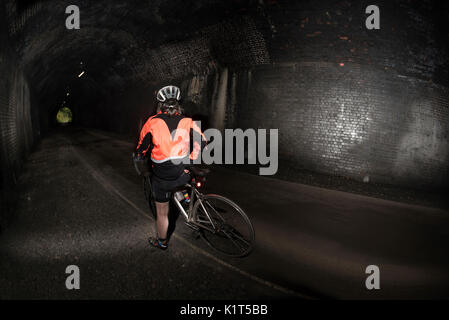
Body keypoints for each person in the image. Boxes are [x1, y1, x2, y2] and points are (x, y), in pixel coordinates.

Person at [135, 85, 207, 250]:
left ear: (160, 106)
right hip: (183, 171)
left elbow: (142, 148)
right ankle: (187, 200)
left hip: (163, 176)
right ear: (178, 105)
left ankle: (161, 241)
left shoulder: (151, 123)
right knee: (181, 180)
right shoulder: (187, 121)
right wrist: (191, 159)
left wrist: (139, 156)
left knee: (162, 212)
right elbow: (202, 142)